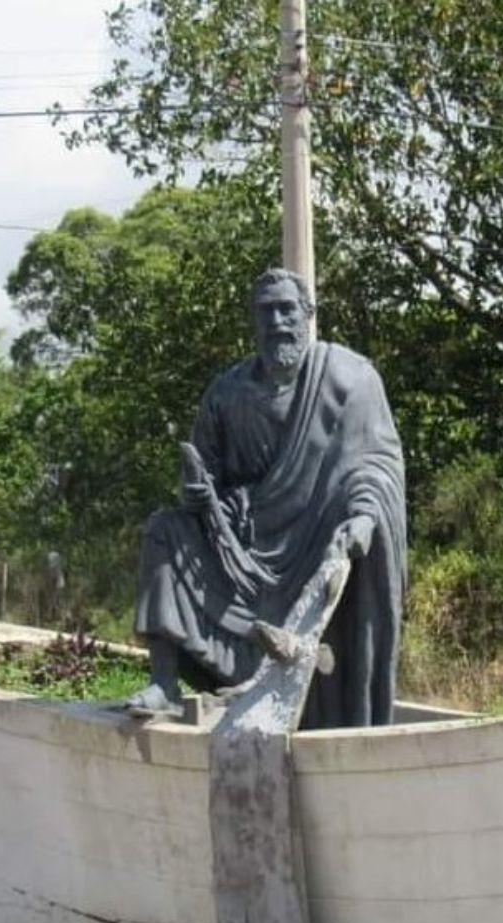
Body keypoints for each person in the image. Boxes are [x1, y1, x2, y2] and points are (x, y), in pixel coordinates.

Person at [121, 268, 406, 729]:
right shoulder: (227, 393)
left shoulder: (351, 381)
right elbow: (203, 479)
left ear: (308, 314)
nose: (276, 322)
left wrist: (365, 517)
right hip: (240, 553)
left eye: (286, 309)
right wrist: (200, 496)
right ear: (254, 321)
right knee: (164, 530)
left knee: (347, 535)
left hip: (315, 546)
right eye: (266, 312)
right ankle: (164, 685)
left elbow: (374, 464)